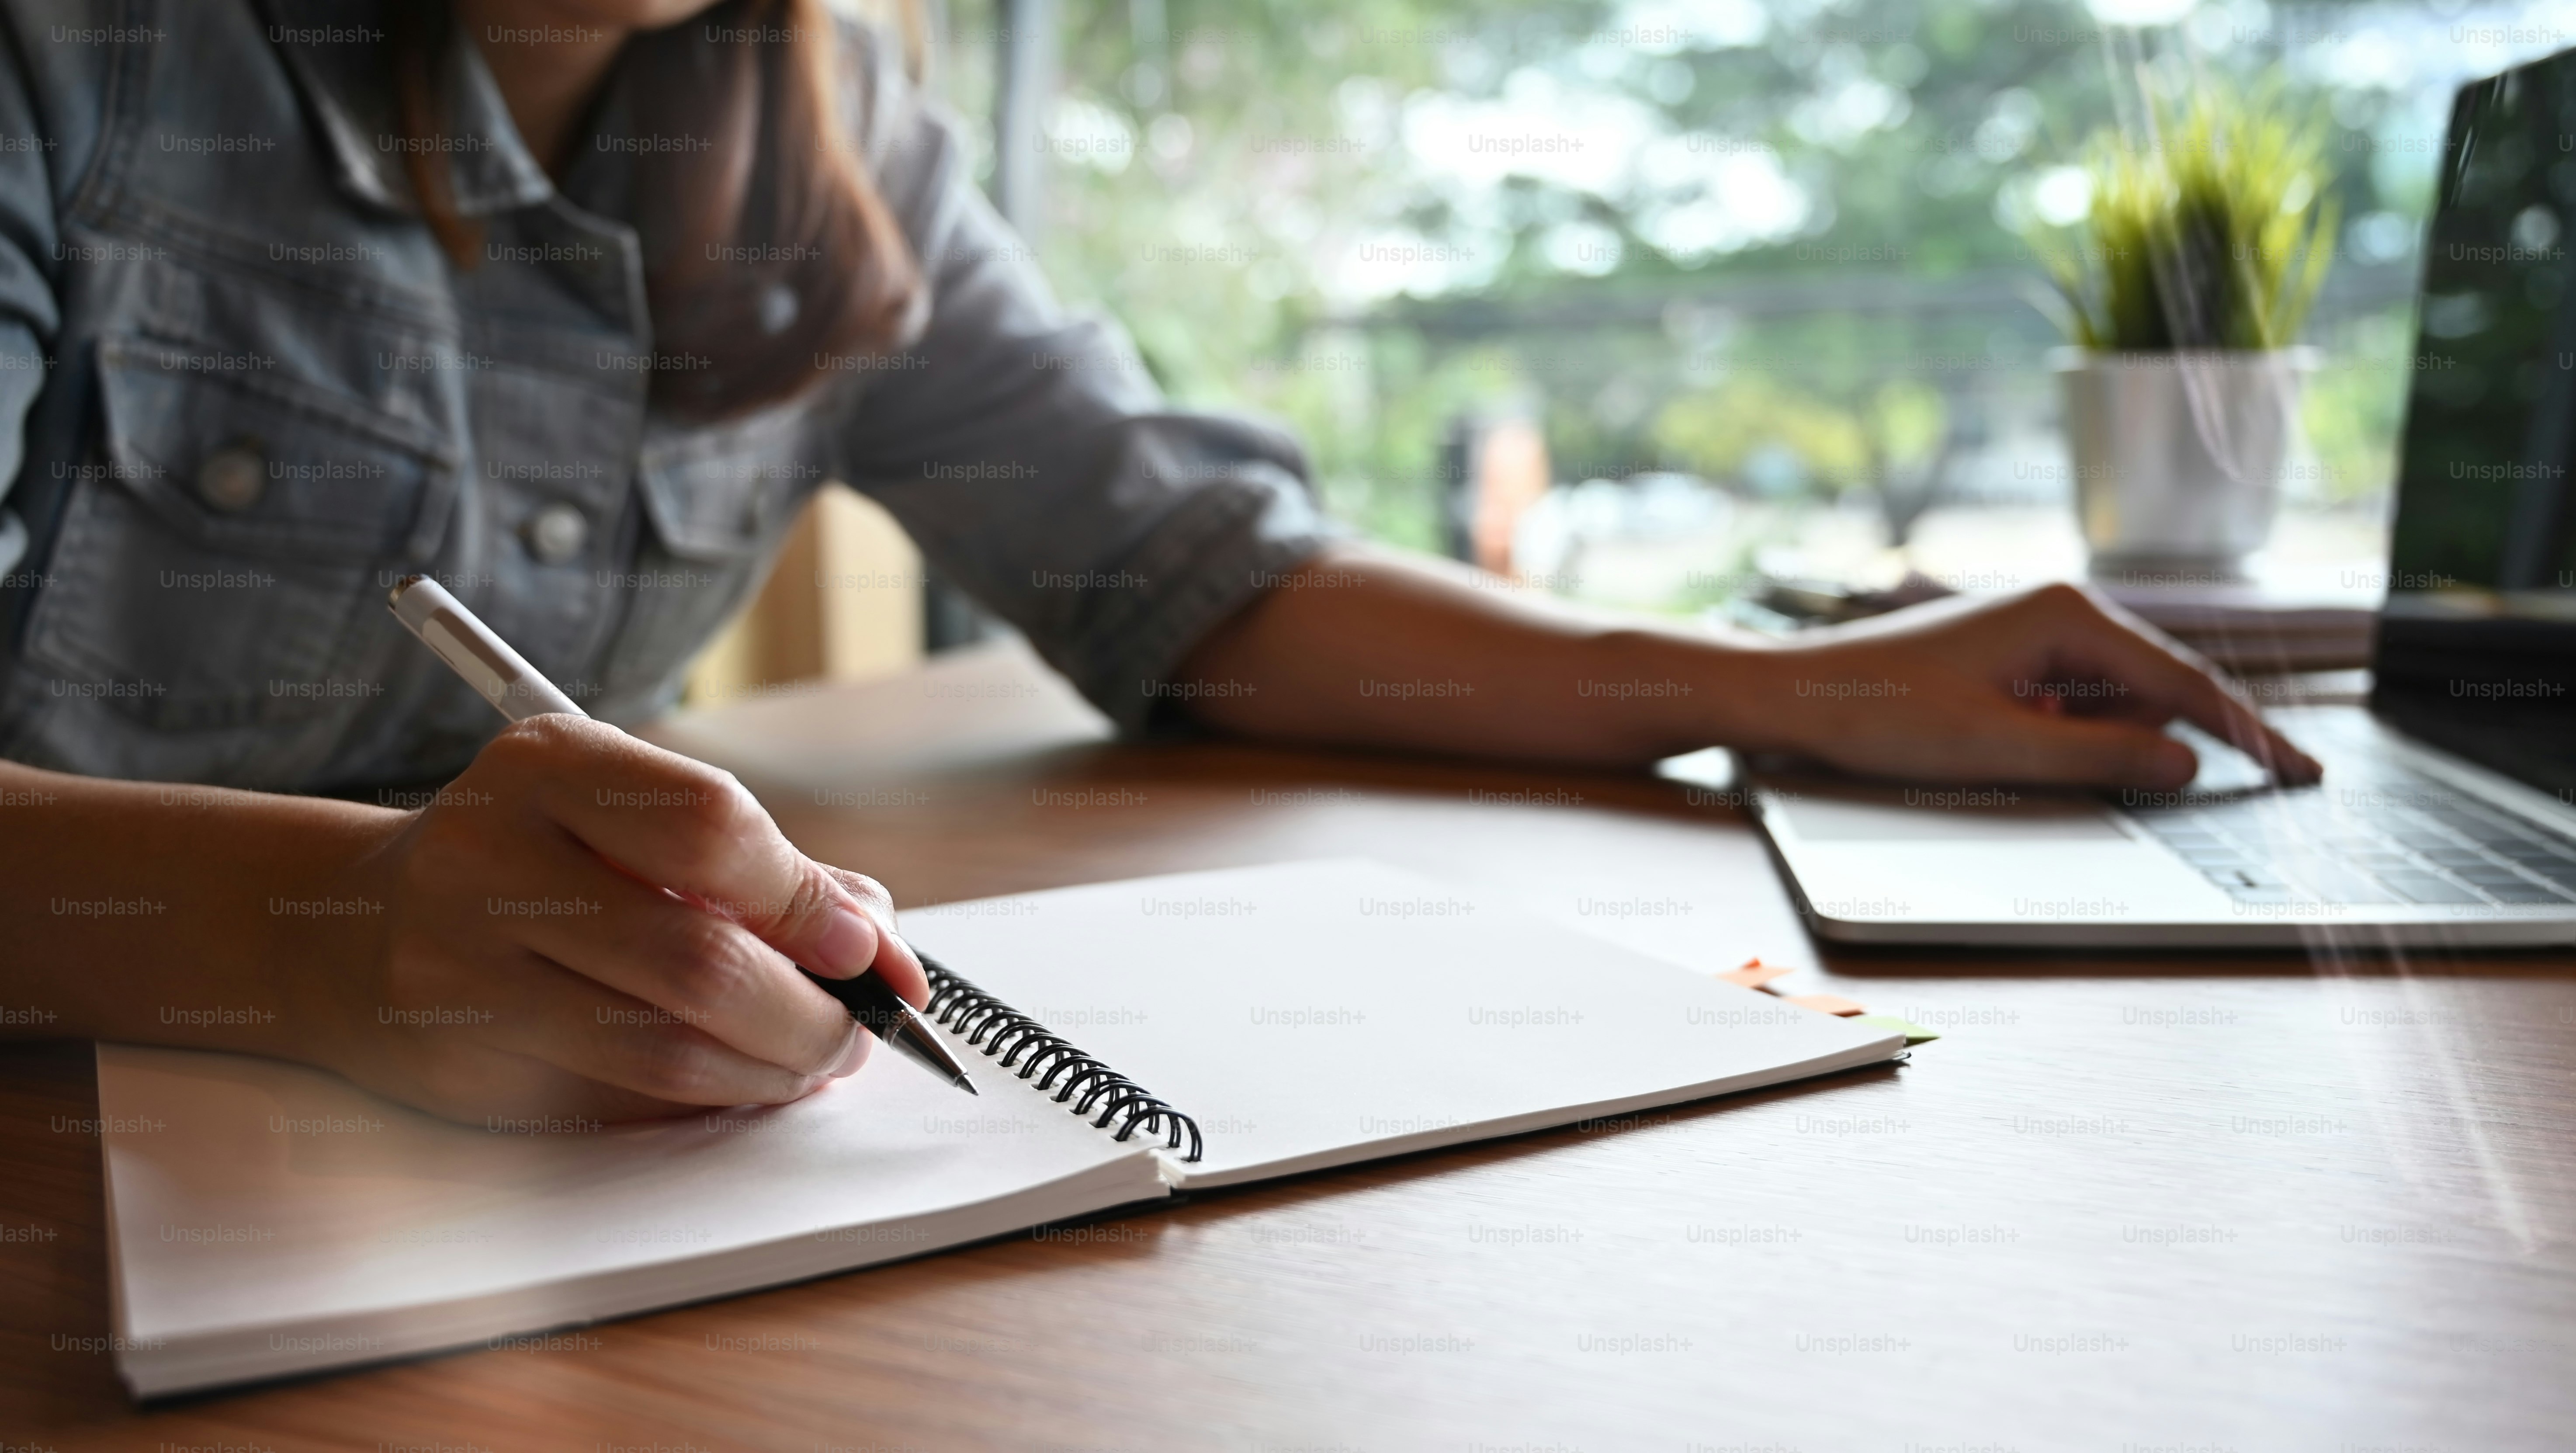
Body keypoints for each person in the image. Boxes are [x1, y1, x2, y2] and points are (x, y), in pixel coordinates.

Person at [0, 0, 2318, 1124]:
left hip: (516, 1210)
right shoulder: (73, 61)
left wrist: (1768, 682)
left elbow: (1189, 573)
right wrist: (348, 928)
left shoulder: (834, 136)